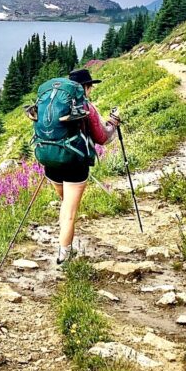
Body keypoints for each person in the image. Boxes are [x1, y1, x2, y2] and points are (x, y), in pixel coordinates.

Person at [43, 68, 118, 265]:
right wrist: (113, 123)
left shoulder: (54, 104)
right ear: (84, 87)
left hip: (51, 162)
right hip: (75, 164)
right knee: (69, 210)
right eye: (90, 86)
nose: (91, 90)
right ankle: (64, 255)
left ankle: (64, 243)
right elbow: (102, 138)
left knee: (65, 203)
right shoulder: (87, 107)